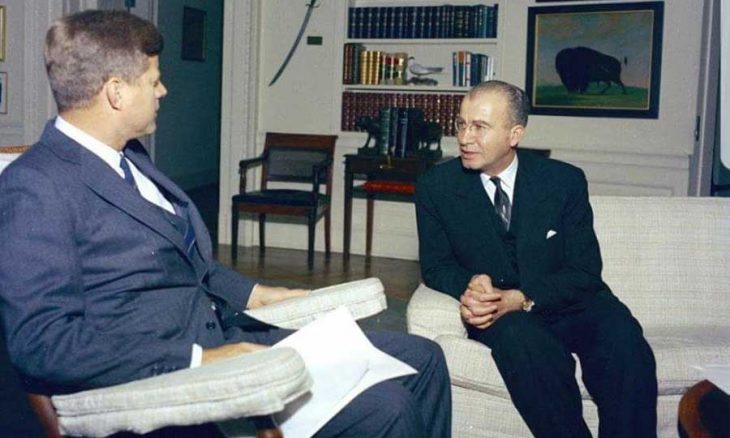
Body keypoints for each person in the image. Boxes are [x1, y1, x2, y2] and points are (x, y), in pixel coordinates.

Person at [0, 10, 451, 437]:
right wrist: (202, 358)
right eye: (153, 81)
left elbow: (185, 263)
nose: (163, 91)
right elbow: (43, 343)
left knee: (424, 357)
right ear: (116, 93)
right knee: (388, 405)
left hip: (224, 335)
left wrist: (259, 293)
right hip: (174, 375)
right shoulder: (35, 187)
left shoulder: (129, 156)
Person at [415, 80, 657, 438]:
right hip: (503, 315)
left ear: (514, 134)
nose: (465, 138)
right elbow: (436, 266)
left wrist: (525, 297)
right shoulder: (435, 186)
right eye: (461, 124)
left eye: (480, 127)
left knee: (625, 343)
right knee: (530, 348)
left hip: (571, 301)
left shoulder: (563, 181)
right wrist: (471, 283)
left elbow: (585, 272)